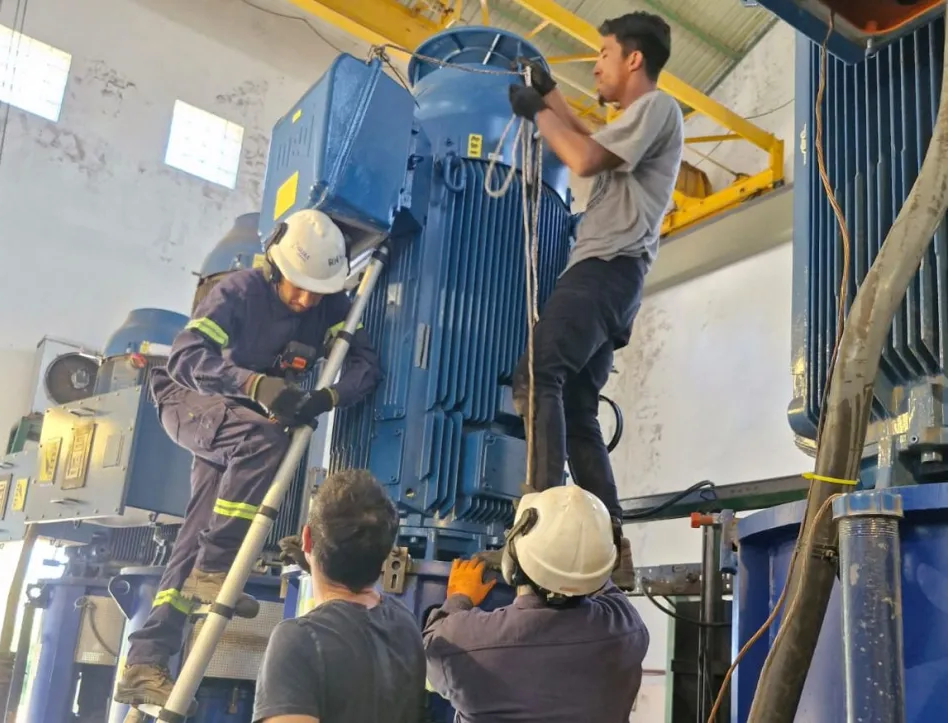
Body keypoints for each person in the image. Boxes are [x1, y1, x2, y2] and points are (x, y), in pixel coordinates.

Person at [114, 208, 384, 709]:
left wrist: (327, 399)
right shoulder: (239, 291)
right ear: (275, 266)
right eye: (297, 286)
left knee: (195, 536)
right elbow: (186, 357)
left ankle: (143, 663)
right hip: (187, 397)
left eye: (316, 291)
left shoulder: (327, 306)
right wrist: (255, 384)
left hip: (236, 415)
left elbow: (366, 367)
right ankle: (214, 570)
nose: (305, 300)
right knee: (263, 442)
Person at [505, 12, 684, 589]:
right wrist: (550, 93)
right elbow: (585, 138)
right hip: (615, 282)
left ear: (635, 59)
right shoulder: (637, 121)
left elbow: (580, 158)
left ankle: (535, 510)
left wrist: (535, 113)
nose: (597, 66)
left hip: (604, 271)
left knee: (538, 374)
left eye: (603, 54)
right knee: (578, 409)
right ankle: (613, 541)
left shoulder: (659, 107)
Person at [423, 486, 649, 723]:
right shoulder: (627, 629)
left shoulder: (461, 642)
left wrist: (459, 597)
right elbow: (604, 588)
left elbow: (428, 653)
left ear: (513, 558)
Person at [253, 469, 426, 723]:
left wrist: (316, 562)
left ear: (306, 538)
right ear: (387, 549)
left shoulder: (299, 640)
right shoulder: (405, 624)